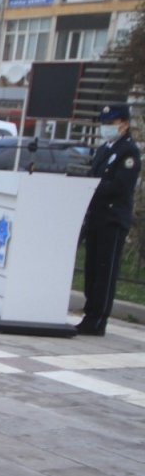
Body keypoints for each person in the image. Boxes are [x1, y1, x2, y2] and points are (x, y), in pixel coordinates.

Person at [79, 104, 140, 336]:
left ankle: (98, 319)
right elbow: (92, 175)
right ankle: (89, 313)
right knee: (92, 269)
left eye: (111, 123)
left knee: (105, 271)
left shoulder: (128, 152)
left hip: (112, 220)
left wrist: (92, 187)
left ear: (124, 124)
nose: (106, 128)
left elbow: (119, 186)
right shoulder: (105, 149)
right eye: (104, 124)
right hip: (96, 217)